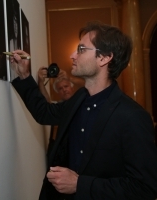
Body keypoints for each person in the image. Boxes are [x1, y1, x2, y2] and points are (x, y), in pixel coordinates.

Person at [10, 21, 157, 200]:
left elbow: (144, 188)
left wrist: (80, 184)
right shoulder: (79, 99)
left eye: (81, 49)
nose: (73, 55)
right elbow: (45, 113)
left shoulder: (133, 116)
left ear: (104, 58)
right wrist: (25, 76)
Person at [38, 67, 75, 156]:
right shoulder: (58, 107)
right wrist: (41, 83)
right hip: (57, 151)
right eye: (60, 88)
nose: (64, 90)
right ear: (58, 92)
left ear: (71, 87)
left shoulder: (81, 102)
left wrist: (70, 78)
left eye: (66, 86)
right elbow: (47, 104)